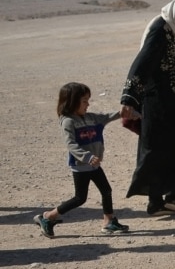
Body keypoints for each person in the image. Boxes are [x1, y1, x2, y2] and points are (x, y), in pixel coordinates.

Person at [119, 0, 175, 216]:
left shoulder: (171, 29)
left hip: (171, 105)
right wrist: (129, 97)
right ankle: (164, 199)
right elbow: (142, 63)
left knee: (171, 148)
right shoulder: (159, 30)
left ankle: (165, 200)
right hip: (157, 105)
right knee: (170, 147)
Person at [34, 82, 130, 238]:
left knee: (106, 190)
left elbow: (105, 117)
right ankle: (48, 217)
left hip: (94, 165)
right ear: (72, 101)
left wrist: (121, 113)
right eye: (84, 101)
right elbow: (71, 145)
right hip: (81, 166)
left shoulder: (90, 117)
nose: (88, 104)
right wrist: (87, 157)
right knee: (80, 198)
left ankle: (108, 221)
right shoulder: (68, 122)